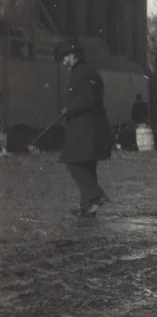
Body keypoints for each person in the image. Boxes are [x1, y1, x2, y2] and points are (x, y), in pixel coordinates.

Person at [55, 39, 112, 218]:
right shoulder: (85, 72)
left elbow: (87, 99)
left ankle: (95, 196)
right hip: (90, 127)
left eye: (64, 58)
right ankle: (88, 207)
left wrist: (68, 109)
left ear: (73, 56)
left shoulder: (82, 73)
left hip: (85, 127)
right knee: (87, 165)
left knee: (71, 160)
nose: (63, 62)